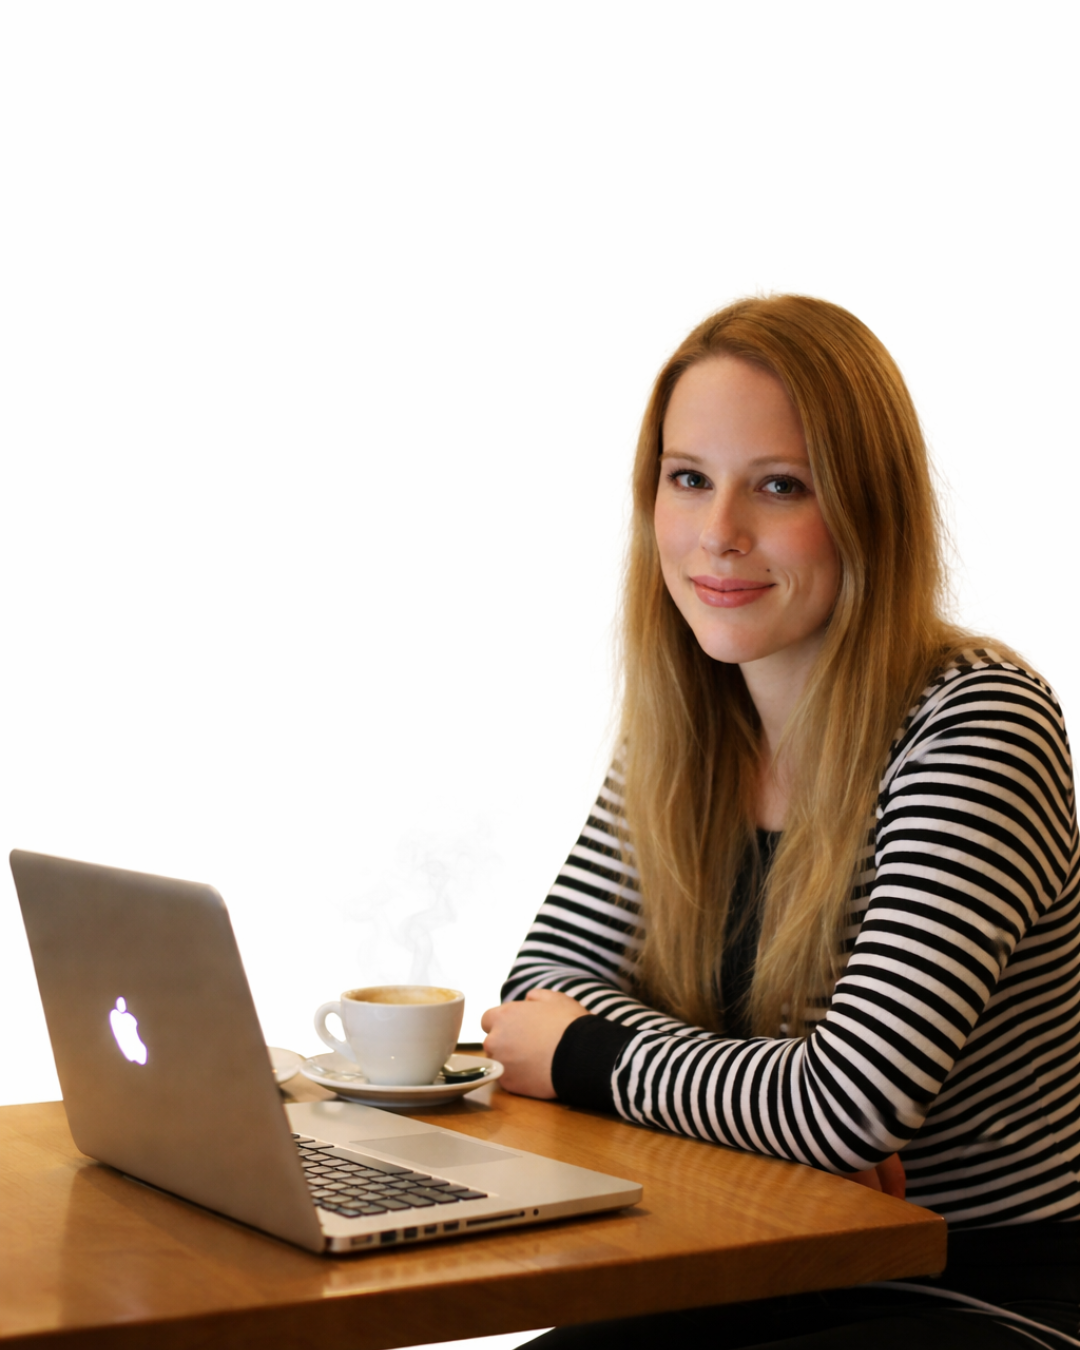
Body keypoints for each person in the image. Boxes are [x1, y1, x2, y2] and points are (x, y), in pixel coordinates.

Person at [481, 295, 1080, 1349]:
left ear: (869, 508)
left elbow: (846, 1108)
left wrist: (590, 1058)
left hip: (977, 1288)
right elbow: (537, 994)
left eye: (779, 485)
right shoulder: (690, 720)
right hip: (756, 1249)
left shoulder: (978, 722)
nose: (718, 533)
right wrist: (779, 1119)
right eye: (688, 479)